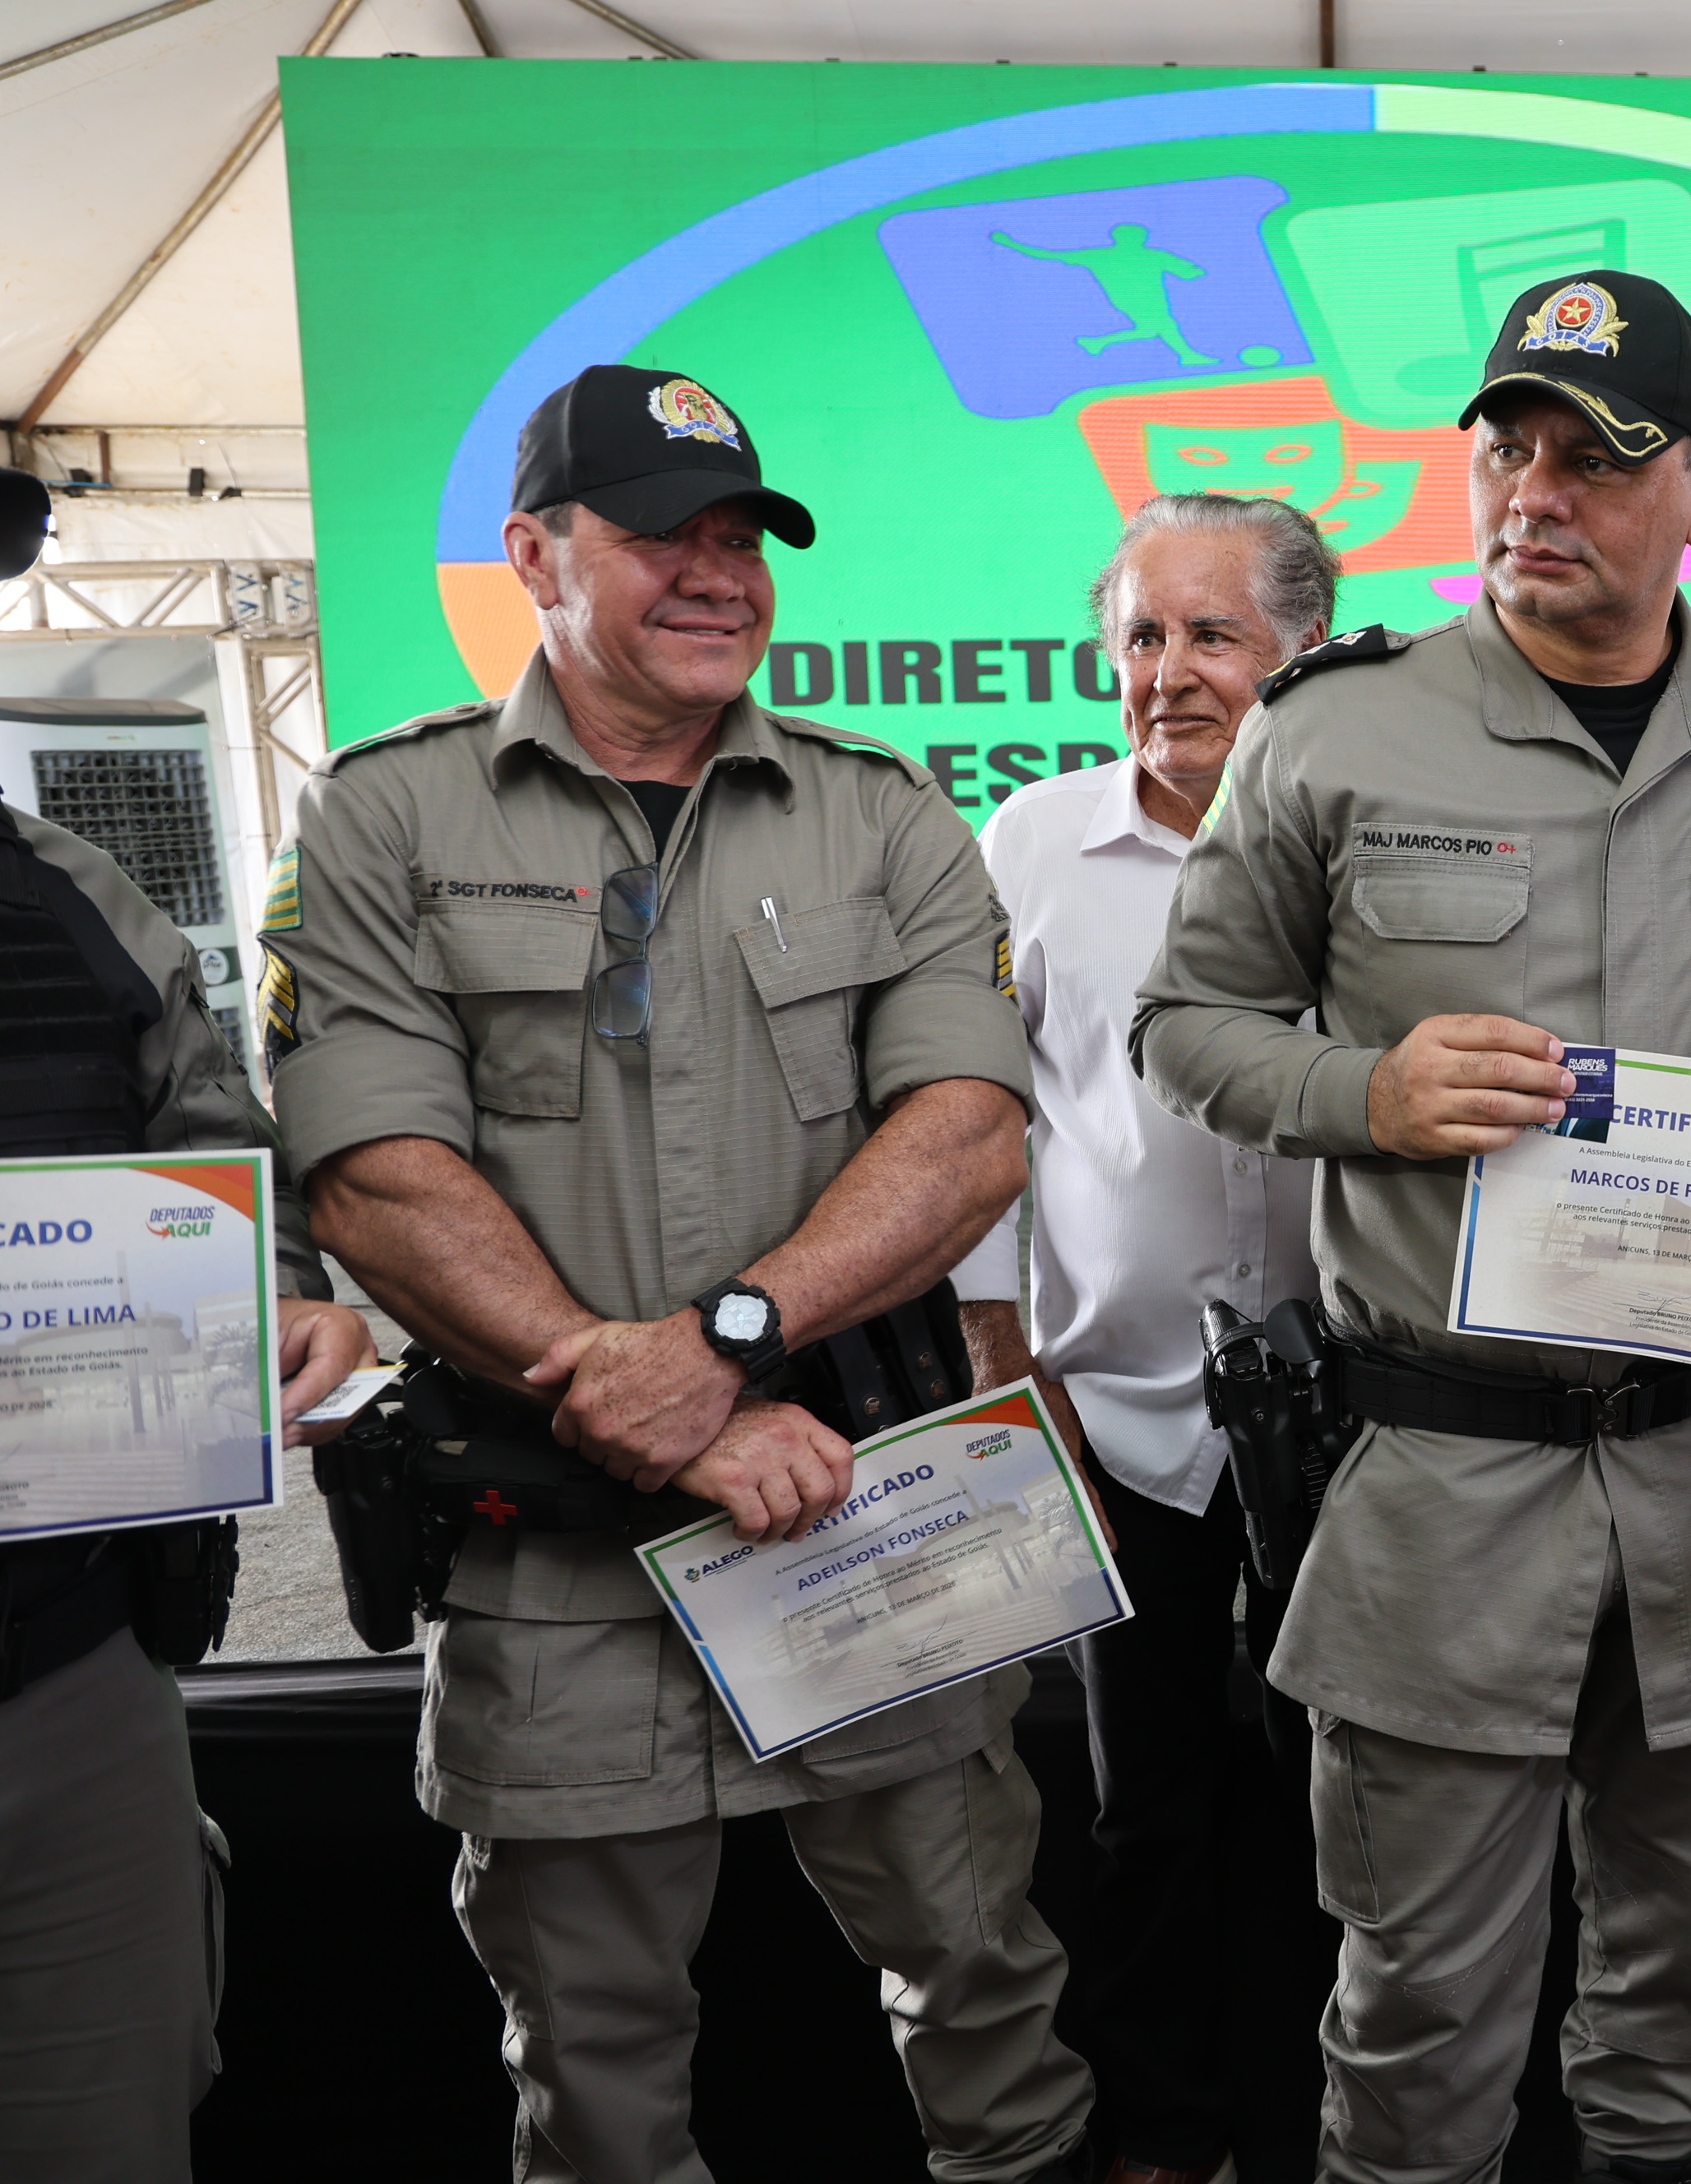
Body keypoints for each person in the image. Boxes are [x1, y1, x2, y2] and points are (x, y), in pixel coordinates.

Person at [271, 365, 1095, 2184]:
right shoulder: (387, 816)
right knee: (594, 2065)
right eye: (663, 536)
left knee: (984, 1994)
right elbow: (377, 1175)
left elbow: (968, 1134)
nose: (717, 573)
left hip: (858, 1513)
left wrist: (727, 1345)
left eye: (743, 537)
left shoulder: (884, 811)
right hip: (559, 1557)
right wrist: (660, 1407)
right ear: (533, 554)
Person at [1129, 270, 1691, 2184]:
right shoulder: (1338, 728)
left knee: (1683, 1993)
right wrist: (1365, 1091)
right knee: (1420, 2013)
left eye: (1596, 458)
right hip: (1445, 1489)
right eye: (1508, 449)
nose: (1536, 492)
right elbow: (1185, 1024)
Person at [954, 491, 1340, 2184]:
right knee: (1145, 1808)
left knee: (1356, 1807)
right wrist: (1001, 1352)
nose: (1168, 672)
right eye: (1141, 636)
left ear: (1304, 650)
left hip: (1358, 1418)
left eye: (1212, 635)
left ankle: (1343, 2125)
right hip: (1112, 1411)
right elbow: (977, 1119)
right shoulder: (1033, 843)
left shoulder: (1372, 834)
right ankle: (1166, 2138)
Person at [0, 796, 373, 2184]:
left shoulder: (60, 888)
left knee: (103, 2127)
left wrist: (277, 1300)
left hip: (64, 1677)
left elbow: (213, 1153)